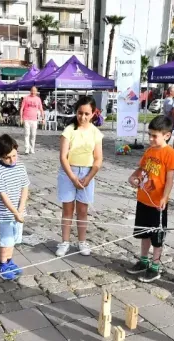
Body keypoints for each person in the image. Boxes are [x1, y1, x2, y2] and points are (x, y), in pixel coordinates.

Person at [125, 115, 174, 283]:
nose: (151, 139)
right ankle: (143, 260)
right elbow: (141, 169)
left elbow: (169, 179)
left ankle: (155, 266)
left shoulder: (170, 153)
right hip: (143, 199)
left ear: (167, 135)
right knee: (143, 233)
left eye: (155, 136)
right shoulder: (149, 151)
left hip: (157, 203)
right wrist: (133, 177)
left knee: (156, 236)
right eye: (150, 135)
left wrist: (164, 197)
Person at [57, 96, 104, 257]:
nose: (82, 117)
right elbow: (63, 157)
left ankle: (82, 241)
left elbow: (98, 158)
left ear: (93, 114)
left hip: (87, 173)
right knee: (67, 209)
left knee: (83, 210)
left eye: (86, 114)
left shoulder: (96, 133)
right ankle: (65, 241)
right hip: (69, 172)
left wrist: (89, 177)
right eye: (79, 113)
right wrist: (72, 177)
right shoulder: (69, 130)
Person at [0, 135, 30, 280]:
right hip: (5, 214)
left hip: (19, 212)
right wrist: (14, 212)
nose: (12, 160)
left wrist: (20, 209)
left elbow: (25, 187)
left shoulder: (20, 166)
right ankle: (2, 265)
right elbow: (3, 195)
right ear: (0, 156)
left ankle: (9, 261)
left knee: (13, 239)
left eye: (14, 155)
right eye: (7, 157)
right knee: (6, 240)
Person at [20, 86, 43, 154]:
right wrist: (21, 118)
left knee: (33, 134)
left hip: (34, 119)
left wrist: (43, 118)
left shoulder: (38, 99)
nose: (33, 92)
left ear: (36, 92)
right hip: (26, 118)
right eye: (32, 90)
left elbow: (41, 109)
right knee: (27, 134)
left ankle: (32, 148)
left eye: (34, 91)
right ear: (30, 91)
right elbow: (22, 108)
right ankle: (27, 148)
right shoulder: (26, 98)